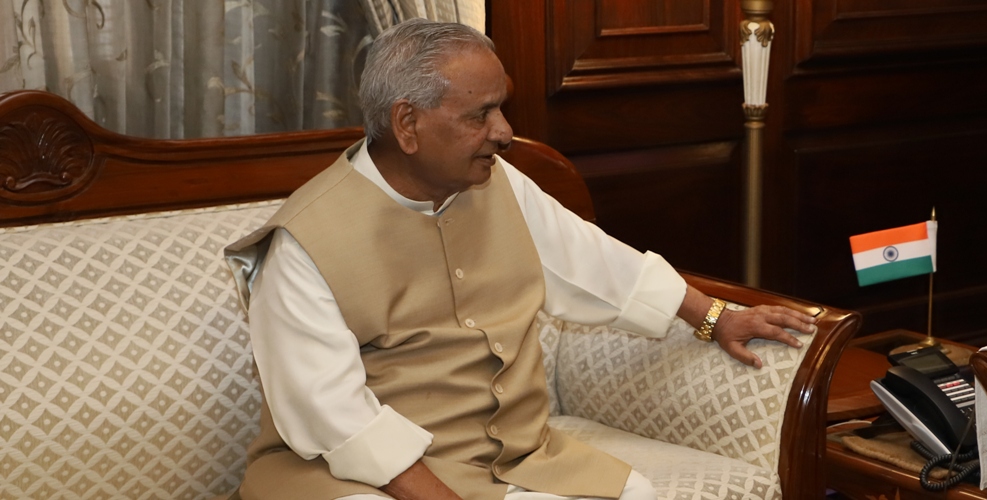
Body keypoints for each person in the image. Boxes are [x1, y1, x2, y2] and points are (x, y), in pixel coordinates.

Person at [221, 19, 817, 500]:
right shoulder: (302, 244)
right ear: (407, 123)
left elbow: (596, 264)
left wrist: (715, 317)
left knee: (635, 493)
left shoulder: (496, 182)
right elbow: (336, 419)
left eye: (501, 108)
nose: (504, 132)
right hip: (352, 478)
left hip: (504, 458)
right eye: (479, 114)